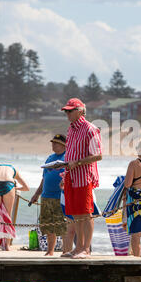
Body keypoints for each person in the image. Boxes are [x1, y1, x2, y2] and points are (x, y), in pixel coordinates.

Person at [60, 98, 102, 259]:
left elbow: (98, 155)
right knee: (76, 214)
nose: (67, 114)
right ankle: (78, 248)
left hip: (84, 177)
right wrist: (64, 173)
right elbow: (70, 153)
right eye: (66, 111)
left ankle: (86, 249)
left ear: (80, 111)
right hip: (71, 176)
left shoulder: (90, 129)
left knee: (86, 213)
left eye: (70, 111)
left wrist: (77, 163)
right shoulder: (71, 129)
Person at [30, 134, 74, 256]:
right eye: (52, 143)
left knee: (63, 225)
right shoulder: (50, 158)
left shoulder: (68, 158)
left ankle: (66, 251)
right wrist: (36, 194)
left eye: (56, 143)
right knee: (48, 225)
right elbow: (44, 178)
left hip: (60, 197)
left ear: (64, 145)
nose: (53, 145)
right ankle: (50, 251)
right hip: (46, 196)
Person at [0, 164, 29, 250]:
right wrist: (15, 188)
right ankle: (7, 246)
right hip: (8, 184)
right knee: (8, 216)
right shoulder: (14, 171)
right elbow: (26, 188)